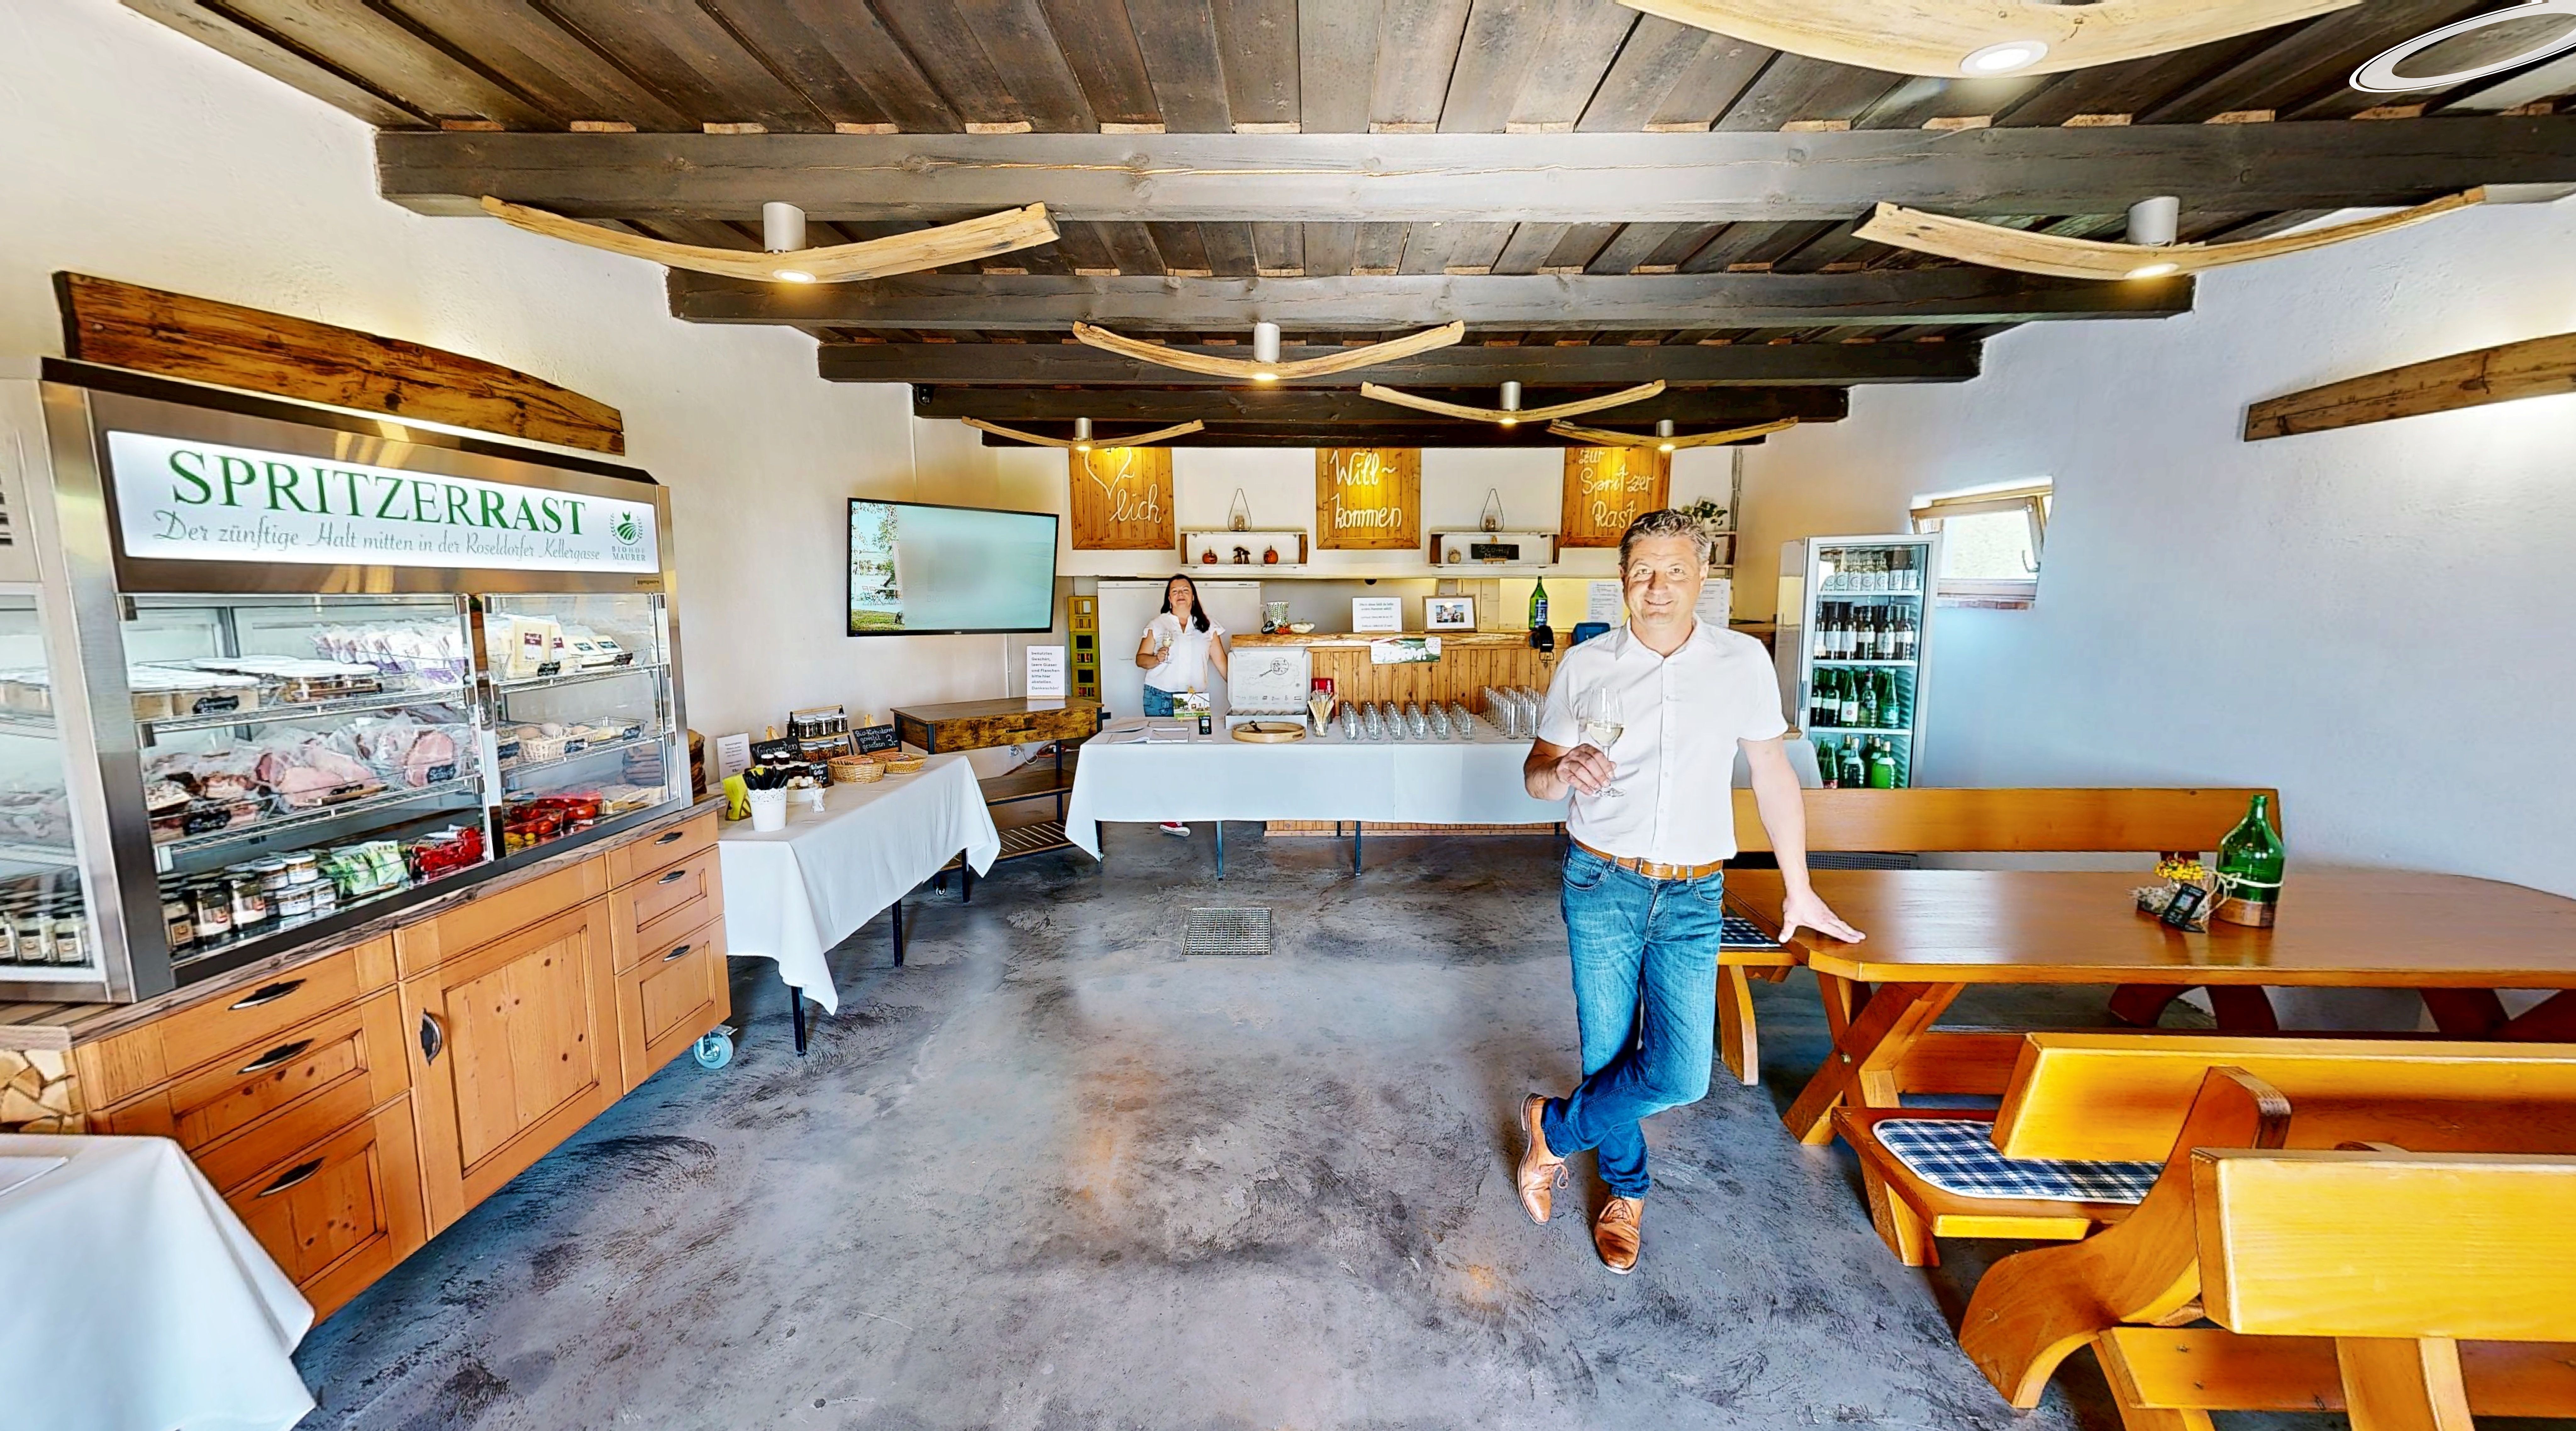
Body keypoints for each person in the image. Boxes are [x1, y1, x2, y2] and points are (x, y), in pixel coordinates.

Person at [1515, 508, 1864, 1275]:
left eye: (1675, 570)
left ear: (1702, 579)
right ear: (1622, 582)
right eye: (1643, 572)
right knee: (1607, 1053)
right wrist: (1561, 770)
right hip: (1600, 876)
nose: (1657, 587)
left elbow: (1772, 775)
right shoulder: (1586, 665)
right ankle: (1627, 1193)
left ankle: (1551, 1130)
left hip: (1693, 893)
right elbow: (1536, 778)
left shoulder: (1740, 662)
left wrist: (1798, 889)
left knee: (1678, 1073)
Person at [1135, 572, 1230, 837]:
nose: (1180, 594)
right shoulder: (1158, 624)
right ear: (1169, 597)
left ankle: (1188, 804)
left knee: (1194, 752)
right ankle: (1170, 816)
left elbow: (1222, 664)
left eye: (1185, 590)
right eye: (1175, 591)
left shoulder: (1208, 627)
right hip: (1161, 696)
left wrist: (1243, 691)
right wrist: (1156, 658)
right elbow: (1140, 659)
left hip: (1193, 698)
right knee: (1166, 755)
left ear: (1193, 596)